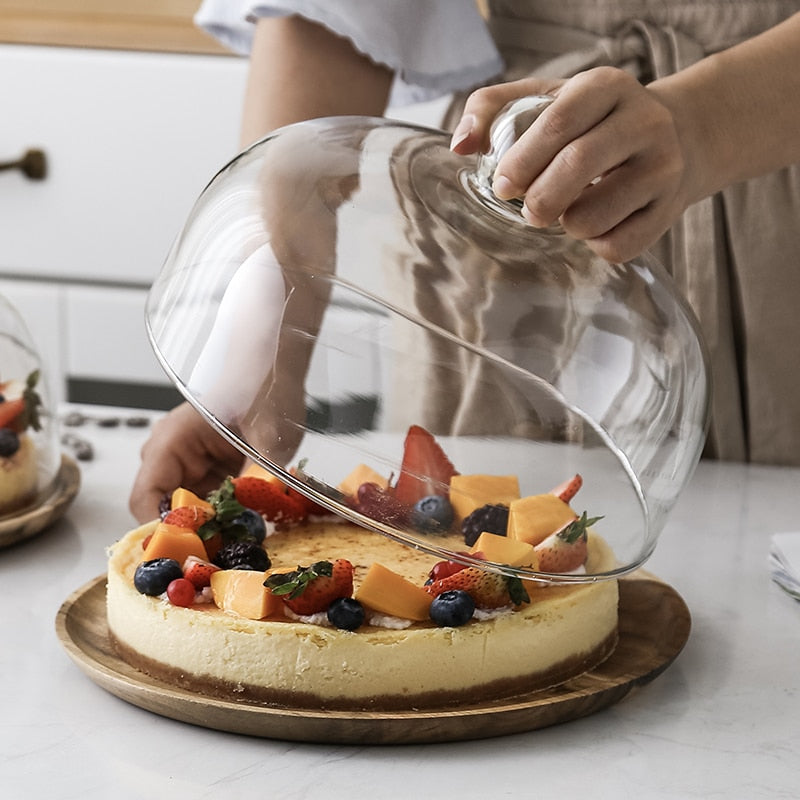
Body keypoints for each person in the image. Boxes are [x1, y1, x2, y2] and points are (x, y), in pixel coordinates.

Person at [129, 1, 800, 522]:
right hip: (512, 211)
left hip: (778, 161)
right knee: (461, 582)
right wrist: (256, 354)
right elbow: (334, 15)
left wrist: (701, 125)